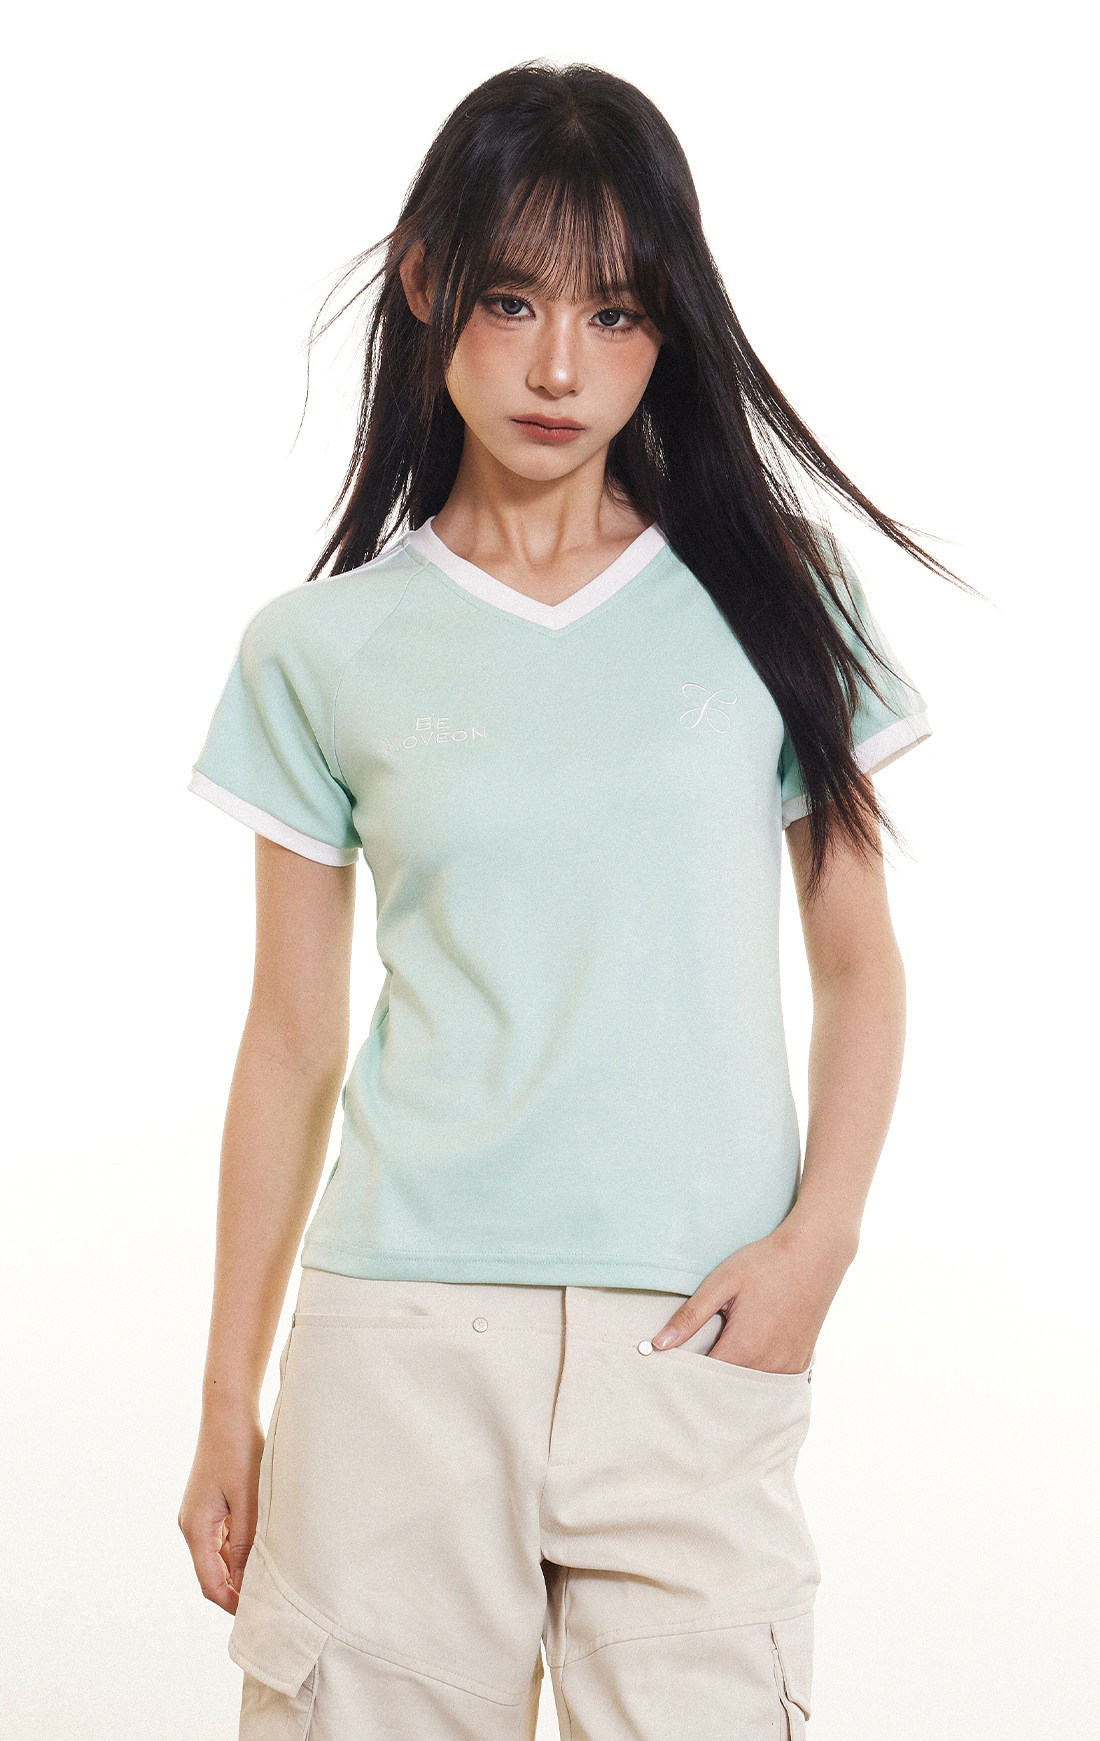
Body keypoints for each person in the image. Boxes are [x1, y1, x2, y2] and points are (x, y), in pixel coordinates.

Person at [178, 60, 964, 1741]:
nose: (560, 366)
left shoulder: (777, 598)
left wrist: (819, 1242)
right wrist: (227, 1395)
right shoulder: (318, 650)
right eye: (513, 298)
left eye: (615, 313)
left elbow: (861, 962)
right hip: (395, 1345)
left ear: (670, 321)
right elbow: (290, 1045)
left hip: (695, 1334)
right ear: (426, 282)